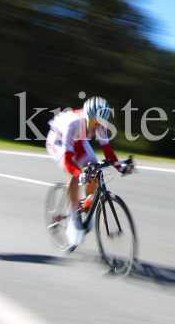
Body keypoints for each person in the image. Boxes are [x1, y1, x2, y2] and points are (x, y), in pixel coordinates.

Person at [46, 96, 123, 251]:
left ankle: (85, 208)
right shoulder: (73, 124)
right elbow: (68, 159)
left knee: (94, 170)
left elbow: (108, 153)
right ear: (87, 117)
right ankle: (73, 219)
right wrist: (78, 174)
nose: (97, 127)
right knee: (76, 174)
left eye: (100, 123)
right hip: (58, 141)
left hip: (78, 140)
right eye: (94, 123)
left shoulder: (99, 123)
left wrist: (121, 168)